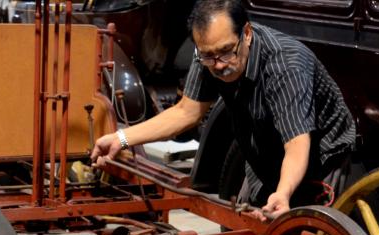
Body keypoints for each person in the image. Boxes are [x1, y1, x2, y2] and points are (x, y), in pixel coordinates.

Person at [91, 0, 355, 220]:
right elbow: (186, 112)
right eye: (208, 56)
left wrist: (283, 192)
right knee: (243, 228)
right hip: (263, 153)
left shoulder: (286, 65)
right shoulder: (209, 54)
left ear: (247, 34)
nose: (217, 65)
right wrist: (121, 139)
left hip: (319, 160)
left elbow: (297, 143)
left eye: (226, 52)